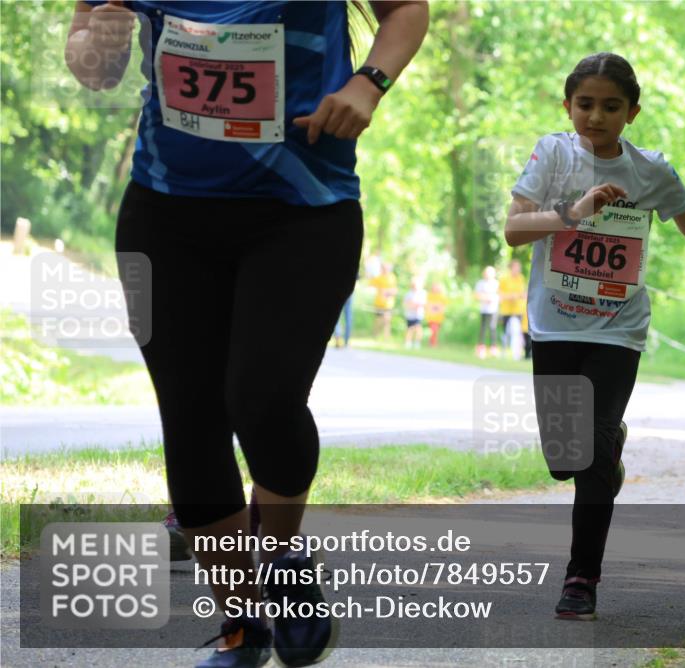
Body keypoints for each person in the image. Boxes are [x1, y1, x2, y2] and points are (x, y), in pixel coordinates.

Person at [66, 2, 428, 666]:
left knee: (263, 400)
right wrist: (98, 43)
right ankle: (241, 627)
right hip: (164, 216)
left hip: (303, 210)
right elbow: (94, 67)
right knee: (190, 417)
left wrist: (367, 82)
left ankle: (286, 556)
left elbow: (407, 10)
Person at [504, 52, 685, 620]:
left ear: (632, 112)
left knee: (588, 448)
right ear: (567, 106)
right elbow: (515, 230)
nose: (595, 116)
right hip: (554, 324)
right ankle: (605, 451)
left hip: (619, 329)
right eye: (585, 104)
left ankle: (580, 580)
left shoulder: (649, 171)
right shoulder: (552, 155)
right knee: (564, 458)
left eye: (610, 106)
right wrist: (573, 212)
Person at [499, 259, 527, 351]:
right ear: (511, 268)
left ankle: (516, 351)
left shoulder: (521, 278)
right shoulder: (504, 278)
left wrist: (520, 295)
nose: (518, 269)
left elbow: (523, 293)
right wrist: (510, 296)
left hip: (518, 309)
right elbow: (500, 294)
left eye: (519, 267)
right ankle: (504, 349)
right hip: (506, 309)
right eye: (516, 267)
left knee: (517, 331)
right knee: (506, 331)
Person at [474, 265, 500, 358]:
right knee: (483, 328)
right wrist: (485, 298)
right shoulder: (481, 283)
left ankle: (493, 347)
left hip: (493, 309)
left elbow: (499, 295)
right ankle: (481, 347)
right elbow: (477, 295)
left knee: (493, 327)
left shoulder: (496, 283)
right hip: (484, 309)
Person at [371, 261, 398, 341]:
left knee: (387, 320)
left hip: (388, 304)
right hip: (379, 303)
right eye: (383, 268)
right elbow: (371, 285)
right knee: (378, 320)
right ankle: (375, 335)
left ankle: (386, 338)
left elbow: (395, 290)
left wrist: (389, 292)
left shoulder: (392, 278)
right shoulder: (378, 278)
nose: (385, 270)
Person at [402, 277, 427, 349]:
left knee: (418, 328)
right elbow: (406, 303)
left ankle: (417, 342)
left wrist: (418, 305)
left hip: (418, 315)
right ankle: (408, 342)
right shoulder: (409, 294)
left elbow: (424, 303)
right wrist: (412, 306)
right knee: (409, 329)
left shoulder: (423, 293)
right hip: (410, 315)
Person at [425, 281, 448, 347]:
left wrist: (435, 307)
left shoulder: (442, 296)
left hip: (438, 317)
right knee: (433, 330)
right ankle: (432, 343)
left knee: (436, 331)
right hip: (431, 317)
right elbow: (428, 306)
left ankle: (433, 342)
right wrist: (435, 307)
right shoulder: (429, 295)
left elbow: (442, 307)